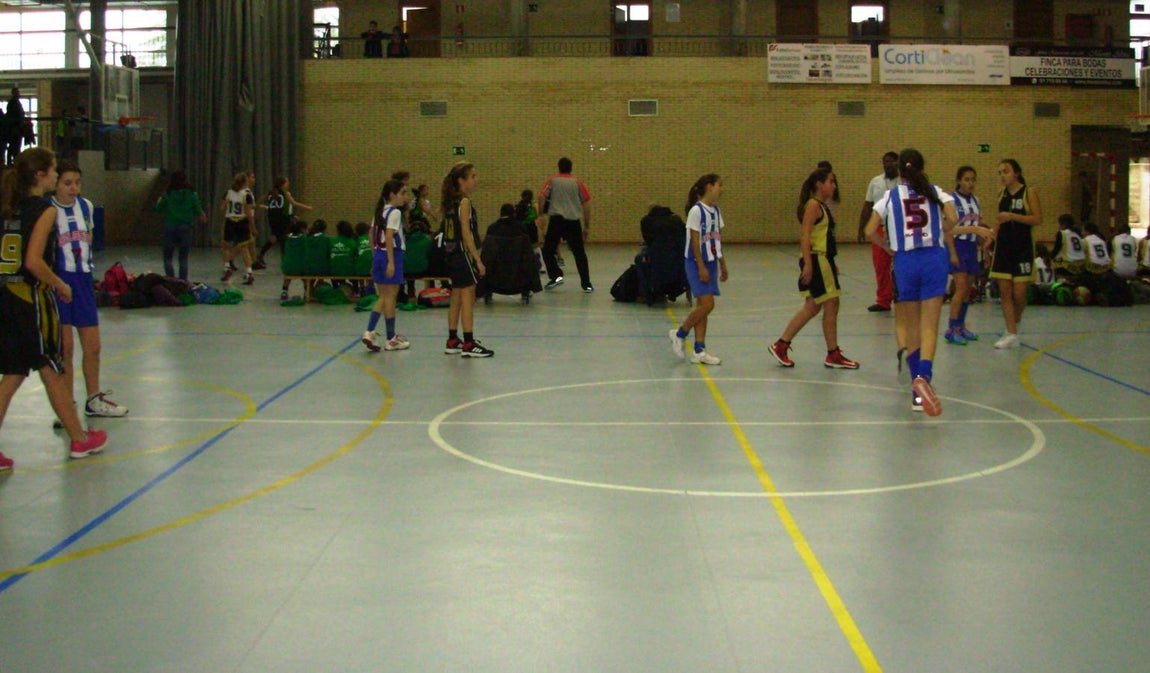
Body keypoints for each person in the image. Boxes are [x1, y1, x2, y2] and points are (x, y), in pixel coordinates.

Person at [0, 147, 107, 470]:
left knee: (16, 374)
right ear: (41, 175)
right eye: (54, 170)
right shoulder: (44, 210)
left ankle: (78, 437)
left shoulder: (9, 206)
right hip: (29, 300)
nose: (57, 175)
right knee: (51, 368)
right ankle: (79, 439)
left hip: (6, 295)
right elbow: (33, 261)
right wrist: (60, 284)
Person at [865, 148, 970, 416]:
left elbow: (869, 230)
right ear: (922, 168)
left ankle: (916, 395)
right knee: (929, 327)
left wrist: (886, 246)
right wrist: (939, 230)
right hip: (933, 259)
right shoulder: (935, 191)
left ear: (900, 171)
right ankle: (924, 376)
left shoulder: (890, 196)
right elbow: (953, 219)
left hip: (905, 262)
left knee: (911, 328)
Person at [50, 160, 129, 421]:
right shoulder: (47, 209)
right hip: (59, 281)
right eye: (67, 183)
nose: (73, 188)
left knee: (93, 346)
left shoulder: (86, 206)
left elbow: (89, 239)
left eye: (77, 183)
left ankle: (93, 399)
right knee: (65, 348)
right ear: (55, 183)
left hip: (83, 280)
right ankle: (66, 406)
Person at [770, 167, 860, 370]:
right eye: (831, 181)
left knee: (812, 307)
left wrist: (831, 262)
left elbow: (823, 238)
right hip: (817, 259)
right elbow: (805, 235)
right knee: (832, 303)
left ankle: (781, 345)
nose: (834, 186)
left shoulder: (821, 206)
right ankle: (833, 353)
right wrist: (809, 264)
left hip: (823, 259)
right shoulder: (813, 205)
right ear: (819, 184)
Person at [668, 174, 728, 365]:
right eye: (719, 185)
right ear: (709, 186)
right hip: (695, 262)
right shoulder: (696, 210)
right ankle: (679, 333)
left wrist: (722, 263)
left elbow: (716, 239)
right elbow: (695, 241)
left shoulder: (716, 211)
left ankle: (699, 350)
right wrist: (701, 266)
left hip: (710, 261)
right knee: (708, 305)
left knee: (702, 306)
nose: (722, 189)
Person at [441, 161, 494, 357]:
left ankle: (453, 339)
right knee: (467, 297)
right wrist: (477, 259)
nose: (476, 180)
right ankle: (469, 343)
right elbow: (466, 233)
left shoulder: (450, 201)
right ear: (461, 181)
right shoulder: (464, 202)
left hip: (451, 253)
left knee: (456, 295)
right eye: (472, 176)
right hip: (462, 253)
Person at [989, 159, 1042, 349]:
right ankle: (1011, 332)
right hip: (1003, 247)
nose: (1002, 175)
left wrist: (1012, 216)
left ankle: (1014, 325)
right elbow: (999, 220)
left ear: (1016, 173)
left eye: (1006, 171)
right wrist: (991, 236)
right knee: (1005, 292)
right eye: (1000, 172)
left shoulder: (1028, 192)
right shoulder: (1001, 194)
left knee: (1019, 294)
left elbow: (1037, 219)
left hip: (1022, 247)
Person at [363, 179, 410, 352]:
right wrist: (390, 261)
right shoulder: (395, 212)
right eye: (402, 193)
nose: (405, 197)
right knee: (389, 296)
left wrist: (375, 257)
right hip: (391, 255)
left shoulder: (379, 211)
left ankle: (374, 332)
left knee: (384, 296)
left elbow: (371, 234)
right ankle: (387, 337)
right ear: (392, 195)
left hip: (378, 254)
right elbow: (389, 236)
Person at [538, 157, 593, 292]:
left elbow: (542, 197)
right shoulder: (577, 182)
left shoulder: (552, 181)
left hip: (556, 221)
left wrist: (541, 214)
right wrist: (586, 226)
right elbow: (586, 203)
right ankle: (586, 284)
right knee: (579, 253)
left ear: (559, 167)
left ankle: (556, 275)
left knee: (548, 251)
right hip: (573, 221)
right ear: (571, 168)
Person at [945, 166, 984, 345]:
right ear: (959, 181)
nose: (970, 183)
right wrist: (952, 253)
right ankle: (951, 328)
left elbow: (978, 225)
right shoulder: (951, 201)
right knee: (960, 288)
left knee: (968, 289)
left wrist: (985, 246)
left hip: (971, 247)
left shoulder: (976, 200)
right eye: (967, 179)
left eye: (973, 179)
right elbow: (948, 230)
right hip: (958, 246)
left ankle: (961, 326)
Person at [857, 151, 899, 311]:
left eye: (892, 161)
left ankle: (902, 296)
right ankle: (883, 300)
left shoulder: (904, 181)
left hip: (898, 229)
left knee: (901, 265)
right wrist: (861, 228)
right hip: (879, 229)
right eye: (885, 161)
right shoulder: (875, 182)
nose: (888, 164)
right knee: (881, 267)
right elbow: (867, 205)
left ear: (898, 163)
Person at [153, 169, 207, 281]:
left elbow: (158, 209)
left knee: (168, 257)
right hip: (185, 227)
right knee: (183, 258)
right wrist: (202, 216)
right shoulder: (191, 194)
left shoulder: (167, 194)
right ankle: (182, 282)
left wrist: (159, 200)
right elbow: (198, 209)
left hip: (170, 226)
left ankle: (171, 281)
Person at [256, 176, 312, 271]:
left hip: (272, 217)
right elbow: (293, 203)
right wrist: (307, 207)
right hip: (282, 218)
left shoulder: (271, 192)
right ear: (282, 184)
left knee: (275, 237)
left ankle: (261, 254)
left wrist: (257, 206)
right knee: (284, 238)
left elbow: (262, 199)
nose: (288, 184)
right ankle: (284, 259)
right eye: (287, 182)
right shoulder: (285, 193)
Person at [220, 171, 256, 285]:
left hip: (230, 221)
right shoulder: (247, 195)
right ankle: (249, 273)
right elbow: (248, 213)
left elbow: (222, 208)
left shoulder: (228, 193)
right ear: (245, 182)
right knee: (244, 248)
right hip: (242, 222)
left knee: (225, 246)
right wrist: (253, 227)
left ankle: (227, 267)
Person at [1051, 213, 1085, 277]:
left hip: (1068, 264)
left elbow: (1057, 249)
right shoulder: (1078, 234)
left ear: (1063, 224)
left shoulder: (1062, 233)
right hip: (1081, 264)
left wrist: (1050, 257)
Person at [5, 88, 26, 165]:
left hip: (16, 127)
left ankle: (13, 160)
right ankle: (13, 161)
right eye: (17, 92)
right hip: (15, 128)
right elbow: (13, 115)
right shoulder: (13, 103)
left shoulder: (14, 102)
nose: (19, 94)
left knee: (14, 145)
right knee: (15, 145)